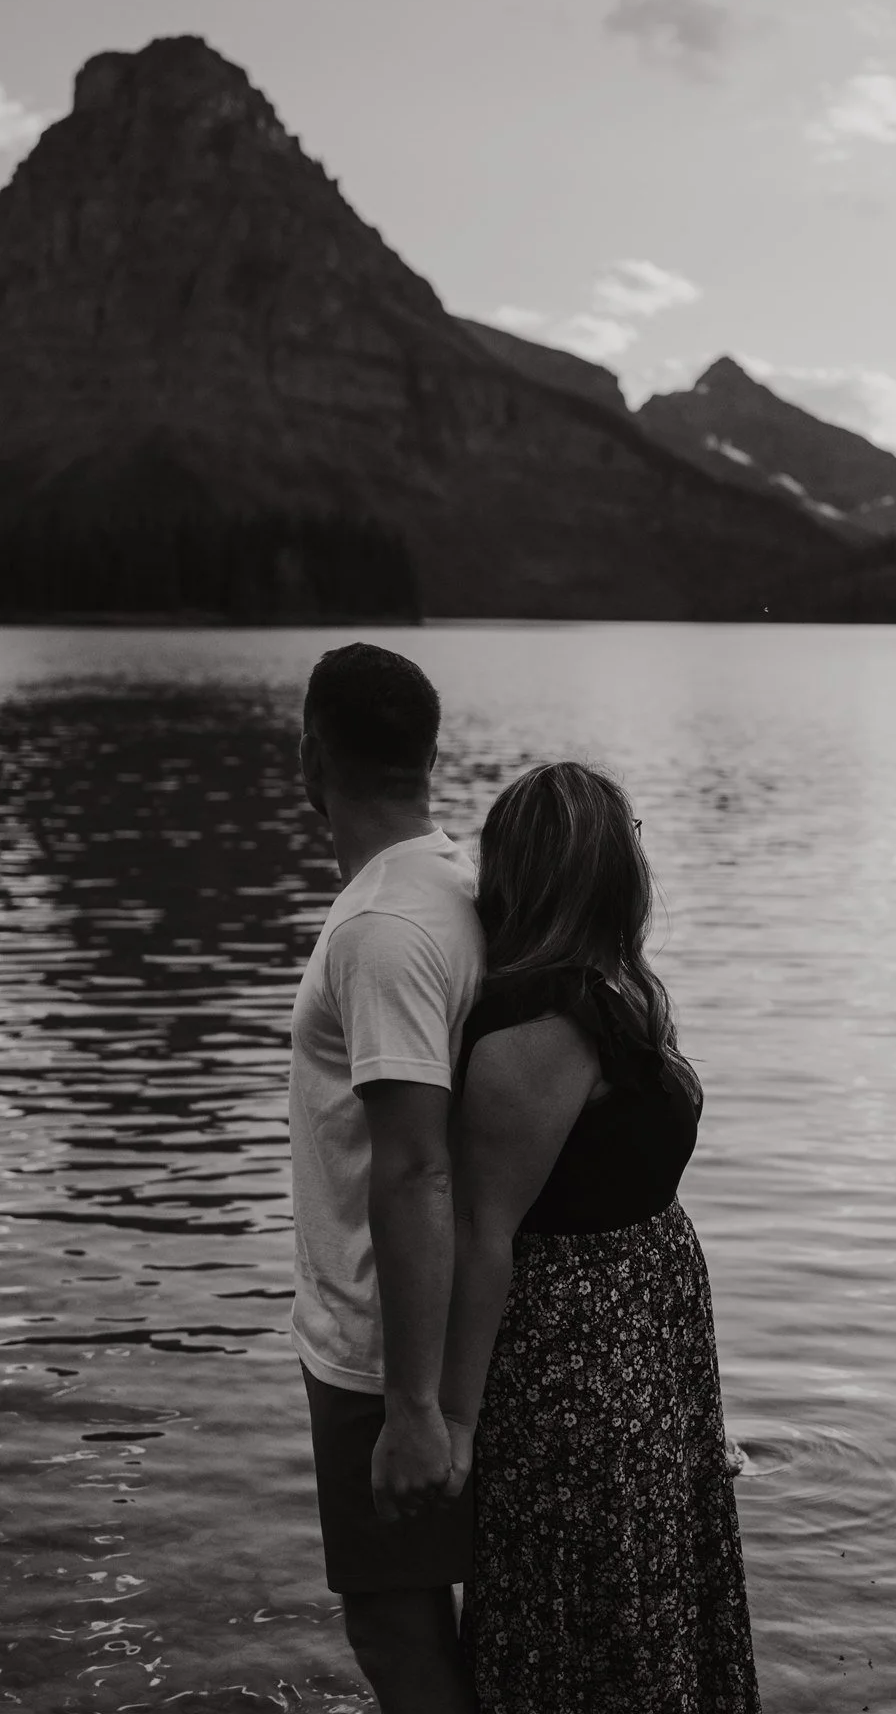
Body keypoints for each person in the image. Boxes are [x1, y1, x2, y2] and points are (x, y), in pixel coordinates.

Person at [438, 760, 763, 1713]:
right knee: (593, 1601)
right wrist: (452, 1423)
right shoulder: (530, 1036)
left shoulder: (608, 993)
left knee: (650, 1583)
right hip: (576, 1367)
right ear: (598, 873)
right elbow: (483, 1236)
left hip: (643, 1346)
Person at [290, 643, 484, 1714]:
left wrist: (411, 1404)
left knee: (399, 1638)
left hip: (381, 1353)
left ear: (310, 759)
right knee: (450, 1633)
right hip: (424, 1335)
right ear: (429, 756)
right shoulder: (454, 884)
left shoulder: (381, 929)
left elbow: (414, 1164)